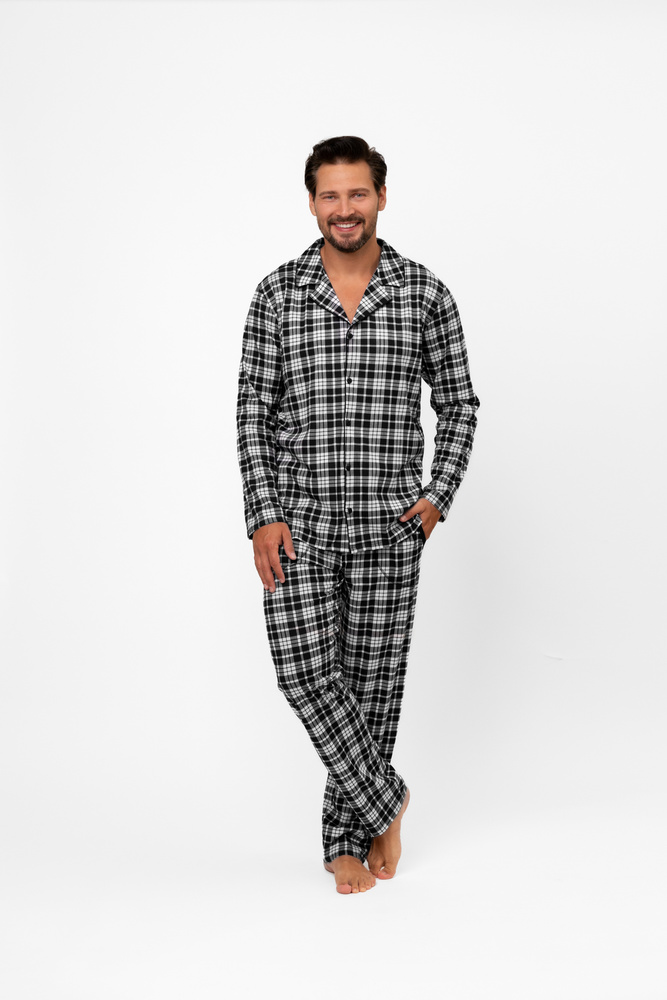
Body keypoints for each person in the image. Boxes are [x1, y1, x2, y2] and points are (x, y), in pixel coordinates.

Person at [236, 136, 479, 894]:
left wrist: (435, 499)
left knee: (372, 690)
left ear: (380, 197)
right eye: (330, 195)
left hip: (389, 528)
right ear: (312, 202)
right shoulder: (277, 294)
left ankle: (345, 839)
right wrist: (262, 513)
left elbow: (459, 404)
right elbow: (252, 411)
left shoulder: (424, 293)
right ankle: (386, 800)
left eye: (357, 193)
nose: (344, 209)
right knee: (305, 671)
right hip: (299, 523)